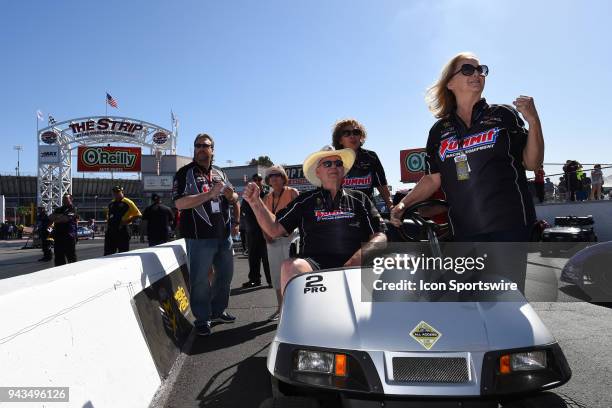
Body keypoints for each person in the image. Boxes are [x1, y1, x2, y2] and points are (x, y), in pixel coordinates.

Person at [391, 52, 544, 292]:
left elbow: (532, 163)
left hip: (509, 227)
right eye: (467, 70)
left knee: (506, 303)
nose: (477, 74)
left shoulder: (504, 114)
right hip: (463, 231)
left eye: (480, 69)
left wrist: (534, 121)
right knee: (472, 305)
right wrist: (403, 204)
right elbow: (432, 179)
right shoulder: (439, 130)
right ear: (450, 83)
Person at [243, 145, 386, 297]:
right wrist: (256, 203)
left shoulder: (360, 199)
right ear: (318, 172)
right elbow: (275, 229)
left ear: (343, 170)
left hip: (357, 264)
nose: (334, 167)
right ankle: (293, 319)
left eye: (338, 163)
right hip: (314, 265)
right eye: (327, 163)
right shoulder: (304, 201)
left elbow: (381, 237)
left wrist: (358, 258)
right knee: (290, 266)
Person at [173, 133, 240, 337]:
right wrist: (209, 195)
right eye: (198, 145)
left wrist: (231, 195)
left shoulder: (220, 173)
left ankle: (218, 311)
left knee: (225, 277)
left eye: (206, 145)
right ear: (194, 149)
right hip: (199, 237)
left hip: (223, 235)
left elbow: (235, 197)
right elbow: (179, 203)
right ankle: (202, 318)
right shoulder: (184, 173)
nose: (202, 148)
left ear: (212, 150)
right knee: (200, 279)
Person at [261, 165, 299, 321]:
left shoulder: (292, 192)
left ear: (284, 177)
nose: (274, 178)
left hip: (290, 239)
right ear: (268, 180)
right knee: (277, 276)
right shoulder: (266, 198)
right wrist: (266, 235)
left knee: (293, 275)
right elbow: (262, 220)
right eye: (271, 176)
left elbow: (300, 216)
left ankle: (296, 310)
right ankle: (281, 308)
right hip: (273, 241)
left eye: (278, 175)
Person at [332, 119, 394, 210]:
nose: (352, 136)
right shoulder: (332, 160)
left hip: (368, 212)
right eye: (346, 133)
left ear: (361, 137)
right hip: (341, 214)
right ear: (340, 140)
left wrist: (391, 207)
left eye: (356, 132)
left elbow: (382, 185)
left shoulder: (371, 157)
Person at [240, 173, 271, 288]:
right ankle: (254, 280)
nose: (257, 181)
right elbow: (243, 212)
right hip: (251, 232)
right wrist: (243, 228)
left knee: (267, 258)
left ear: (262, 181)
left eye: (259, 179)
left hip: (265, 231)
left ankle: (271, 280)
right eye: (255, 179)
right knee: (253, 257)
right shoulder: (247, 197)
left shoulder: (266, 195)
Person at [104, 186, 142, 255]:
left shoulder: (128, 202)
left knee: (123, 253)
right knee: (108, 253)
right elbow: (108, 216)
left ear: (122, 192)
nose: (116, 194)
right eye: (115, 193)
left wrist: (126, 222)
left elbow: (138, 214)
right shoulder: (111, 204)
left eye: (118, 192)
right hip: (111, 231)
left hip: (122, 230)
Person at [49, 194, 78, 266]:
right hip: (58, 236)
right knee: (59, 258)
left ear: (71, 199)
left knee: (71, 257)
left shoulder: (73, 209)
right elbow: (50, 217)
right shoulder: (58, 209)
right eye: (63, 199)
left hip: (69, 236)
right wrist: (60, 217)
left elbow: (65, 219)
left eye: (66, 199)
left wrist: (57, 217)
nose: (64, 200)